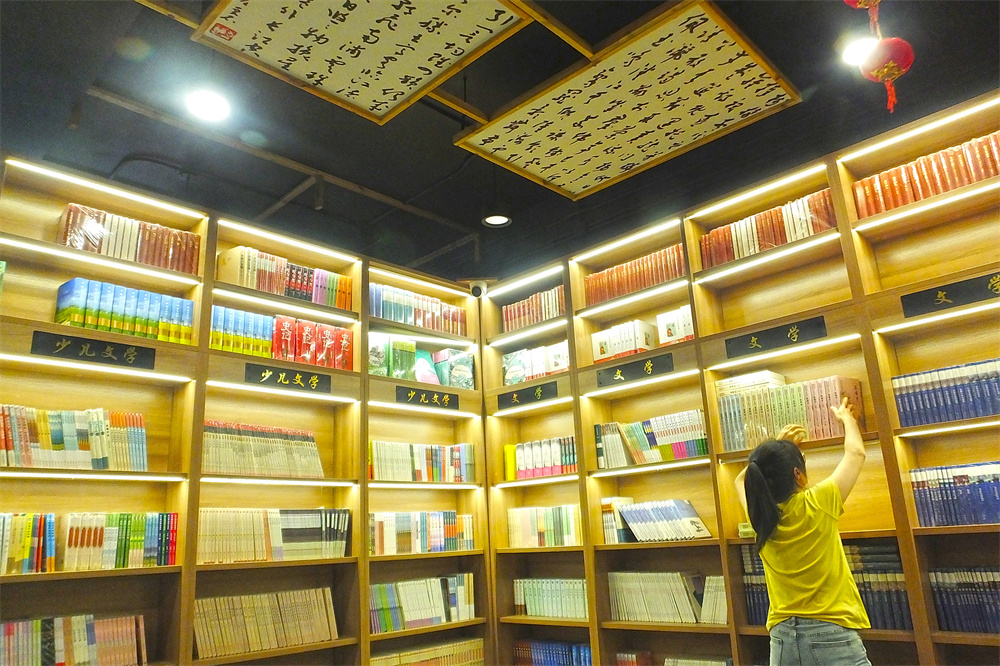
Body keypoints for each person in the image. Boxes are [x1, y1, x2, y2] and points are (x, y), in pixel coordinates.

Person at [734, 396, 871, 666]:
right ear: (797, 474)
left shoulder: (759, 516)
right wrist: (848, 419)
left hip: (781, 640)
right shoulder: (818, 502)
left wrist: (775, 448)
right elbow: (856, 453)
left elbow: (742, 479)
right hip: (831, 634)